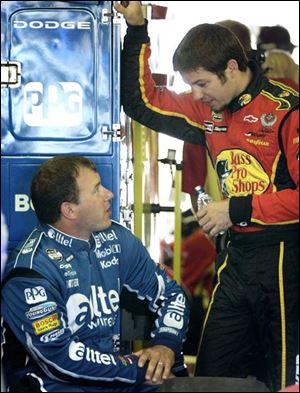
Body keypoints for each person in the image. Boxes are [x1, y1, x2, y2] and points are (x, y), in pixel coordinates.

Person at [114, 2, 299, 391]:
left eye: (202, 84)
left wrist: (236, 208)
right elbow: (142, 104)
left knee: (283, 380)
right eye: (191, 85)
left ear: (231, 68)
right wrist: (137, 29)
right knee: (213, 376)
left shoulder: (288, 111)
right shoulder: (208, 112)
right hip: (235, 262)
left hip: (287, 263)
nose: (196, 95)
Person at [1, 155, 190, 392]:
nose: (109, 194)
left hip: (114, 378)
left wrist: (166, 345)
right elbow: (61, 360)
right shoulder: (30, 272)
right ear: (69, 210)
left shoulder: (117, 239)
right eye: (97, 189)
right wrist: (140, 369)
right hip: (54, 384)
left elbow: (172, 294)